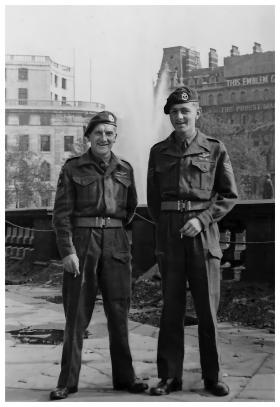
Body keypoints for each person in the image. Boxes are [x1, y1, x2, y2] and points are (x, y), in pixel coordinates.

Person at [50, 111, 148, 400]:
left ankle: (125, 378)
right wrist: (68, 251)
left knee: (119, 312)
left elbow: (130, 209)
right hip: (83, 244)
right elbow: (61, 215)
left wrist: (117, 237)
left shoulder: (125, 169)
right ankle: (68, 381)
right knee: (76, 315)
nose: (104, 138)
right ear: (88, 136)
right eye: (98, 133)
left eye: (109, 133)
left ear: (115, 136)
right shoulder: (72, 168)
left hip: (116, 245)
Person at [147, 87, 238, 397]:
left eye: (185, 111)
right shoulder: (158, 152)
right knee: (170, 308)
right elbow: (154, 200)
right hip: (171, 234)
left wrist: (202, 219)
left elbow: (228, 195)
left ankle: (213, 377)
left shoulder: (214, 148)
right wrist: (169, 228)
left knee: (207, 310)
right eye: (174, 112)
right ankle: (169, 377)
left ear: (198, 113)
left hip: (203, 231)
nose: (179, 116)